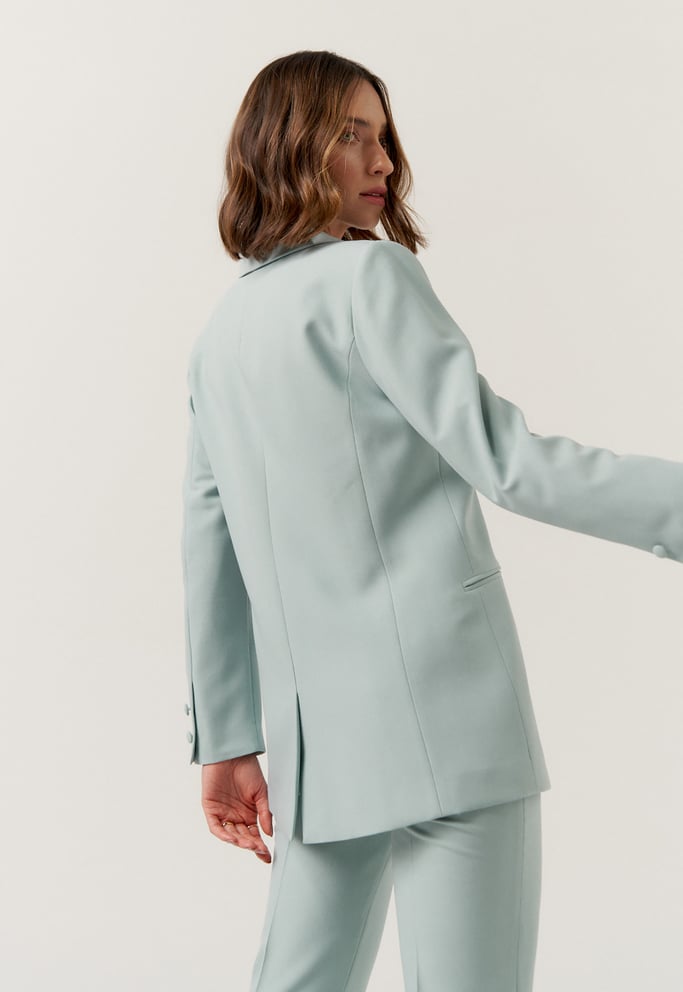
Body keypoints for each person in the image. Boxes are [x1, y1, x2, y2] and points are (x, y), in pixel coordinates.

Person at [180, 49, 683, 992]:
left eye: (384, 136)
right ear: (289, 147)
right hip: (451, 721)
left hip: (314, 749)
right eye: (351, 135)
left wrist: (226, 741)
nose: (383, 162)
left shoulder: (221, 335)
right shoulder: (370, 279)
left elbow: (209, 551)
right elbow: (511, 464)